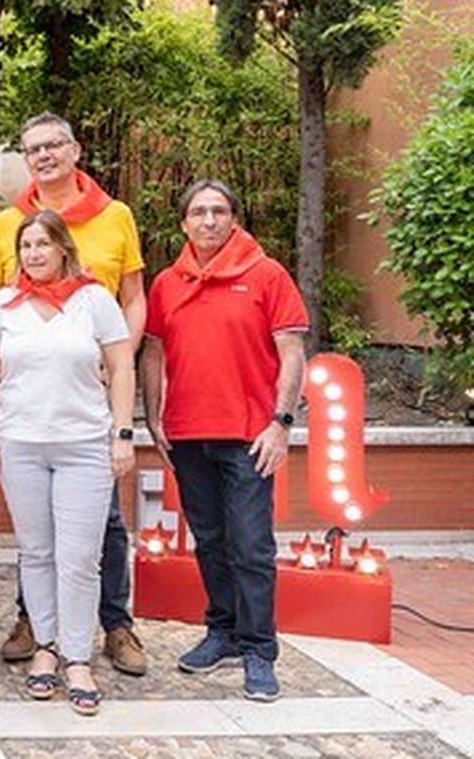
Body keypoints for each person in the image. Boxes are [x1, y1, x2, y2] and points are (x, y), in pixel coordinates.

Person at [0, 112, 150, 676]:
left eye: (54, 144)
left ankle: (115, 624)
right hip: (28, 416)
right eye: (33, 149)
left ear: (76, 149)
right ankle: (37, 626)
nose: (44, 155)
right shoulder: (7, 223)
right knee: (38, 540)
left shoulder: (115, 216)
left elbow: (132, 296)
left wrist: (111, 358)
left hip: (86, 404)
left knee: (100, 530)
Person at [141, 180, 307, 703]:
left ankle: (259, 649)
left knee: (252, 547)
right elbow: (152, 354)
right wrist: (153, 418)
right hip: (188, 434)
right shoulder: (168, 282)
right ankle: (222, 631)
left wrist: (281, 422)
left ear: (234, 218)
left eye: (218, 211)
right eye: (198, 212)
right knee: (209, 541)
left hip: (248, 436)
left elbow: (293, 353)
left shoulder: (267, 274)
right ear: (183, 223)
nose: (209, 221)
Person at [0, 210, 136, 716]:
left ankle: (77, 656)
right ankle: (45, 647)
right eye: (26, 246)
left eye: (43, 244)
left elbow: (121, 366)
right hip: (20, 441)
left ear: (64, 247)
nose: (34, 254)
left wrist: (123, 433)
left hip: (83, 444)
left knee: (80, 557)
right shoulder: (3, 303)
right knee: (36, 552)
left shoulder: (95, 301)